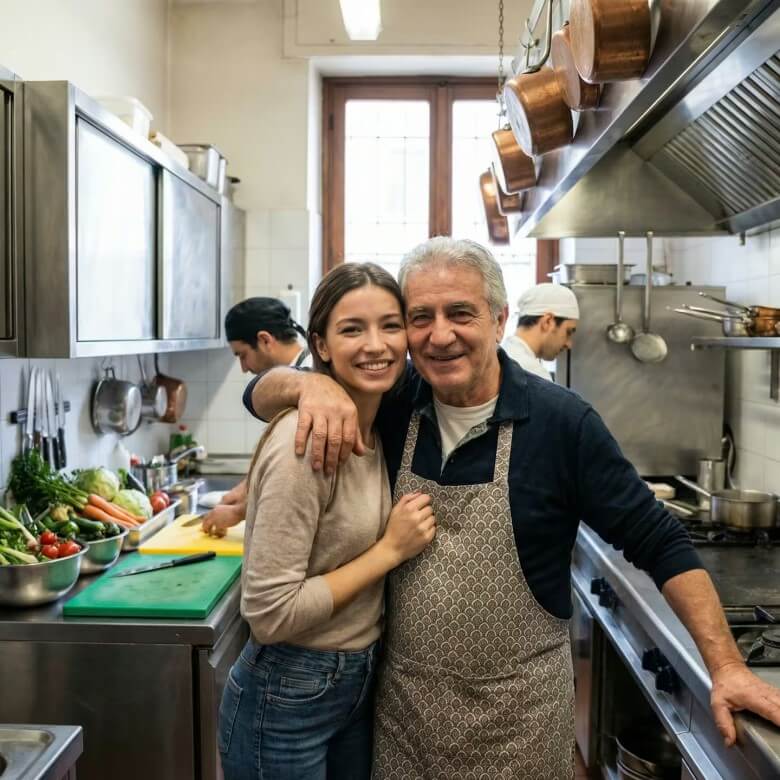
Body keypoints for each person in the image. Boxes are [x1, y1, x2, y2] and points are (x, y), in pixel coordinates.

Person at [242, 237, 780, 778]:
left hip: (519, 727)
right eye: (421, 317)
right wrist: (309, 386)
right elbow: (257, 393)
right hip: (403, 721)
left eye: (461, 314)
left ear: (499, 320)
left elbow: (660, 541)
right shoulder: (395, 400)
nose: (440, 335)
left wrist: (727, 666)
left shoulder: (561, 424)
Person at [218, 263, 436, 780]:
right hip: (287, 693)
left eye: (390, 325)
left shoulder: (375, 422)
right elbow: (270, 613)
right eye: (352, 329)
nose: (376, 345)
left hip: (355, 682)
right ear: (321, 345)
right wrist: (390, 551)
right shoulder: (306, 442)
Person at [201, 297, 312, 536]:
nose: (244, 368)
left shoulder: (309, 378)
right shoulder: (293, 377)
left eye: (242, 355)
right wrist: (247, 487)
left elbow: (300, 471)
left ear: (265, 340)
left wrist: (239, 511)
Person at [501, 282, 579, 380]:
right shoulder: (533, 375)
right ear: (548, 322)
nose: (569, 344)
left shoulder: (504, 352)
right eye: (568, 332)